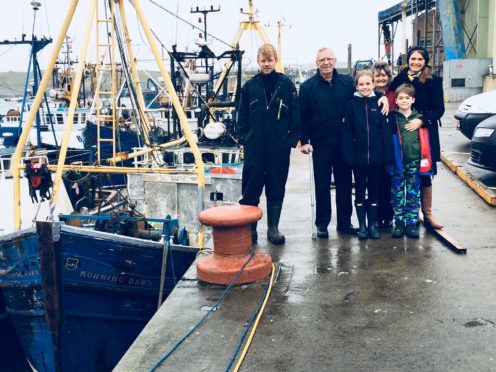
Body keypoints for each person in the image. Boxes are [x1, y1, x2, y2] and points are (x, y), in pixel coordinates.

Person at [299, 48, 388, 239]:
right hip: (320, 143)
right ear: (317, 63)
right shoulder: (307, 88)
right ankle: (322, 224)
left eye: (329, 59)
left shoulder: (347, 82)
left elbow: (366, 94)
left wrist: (383, 98)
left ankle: (345, 223)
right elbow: (302, 117)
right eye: (322, 60)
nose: (326, 62)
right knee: (322, 185)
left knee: (345, 184)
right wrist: (304, 141)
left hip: (344, 143)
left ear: (335, 60)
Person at [237, 43, 300, 245]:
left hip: (278, 147)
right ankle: (251, 230)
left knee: (276, 187)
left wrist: (290, 140)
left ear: (276, 61)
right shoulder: (249, 87)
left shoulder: (286, 85)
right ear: (258, 61)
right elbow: (242, 117)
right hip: (254, 147)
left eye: (270, 60)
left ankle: (273, 229)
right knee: (250, 189)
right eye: (263, 61)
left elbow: (295, 115)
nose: (266, 64)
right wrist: (244, 139)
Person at [389, 46, 444, 229]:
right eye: (413, 58)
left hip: (425, 129)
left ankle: (426, 213)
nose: (416, 62)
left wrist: (422, 121)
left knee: (425, 173)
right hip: (403, 127)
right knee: (401, 174)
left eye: (420, 59)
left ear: (425, 61)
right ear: (408, 60)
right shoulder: (401, 78)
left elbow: (439, 109)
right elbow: (389, 94)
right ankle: (401, 215)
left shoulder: (433, 80)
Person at [341, 70, 392, 240]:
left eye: (368, 84)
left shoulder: (379, 103)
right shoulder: (350, 105)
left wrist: (387, 156)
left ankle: (372, 225)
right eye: (361, 84)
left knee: (375, 191)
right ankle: (362, 225)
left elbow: (385, 132)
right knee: (360, 191)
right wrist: (349, 157)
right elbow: (347, 133)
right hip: (358, 158)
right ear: (356, 86)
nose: (365, 87)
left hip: (376, 158)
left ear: (373, 85)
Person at [389, 83, 423, 239]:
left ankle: (411, 223)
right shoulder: (392, 118)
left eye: (407, 98)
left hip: (414, 162)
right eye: (400, 98)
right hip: (397, 163)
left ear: (413, 100)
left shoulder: (419, 119)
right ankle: (399, 222)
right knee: (397, 193)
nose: (404, 101)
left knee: (413, 193)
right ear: (395, 100)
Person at [372, 61, 395, 228]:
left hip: (392, 141)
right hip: (373, 143)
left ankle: (389, 214)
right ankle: (376, 215)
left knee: (389, 180)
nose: (380, 78)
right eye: (377, 75)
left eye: (383, 75)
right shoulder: (368, 93)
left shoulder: (394, 94)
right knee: (374, 182)